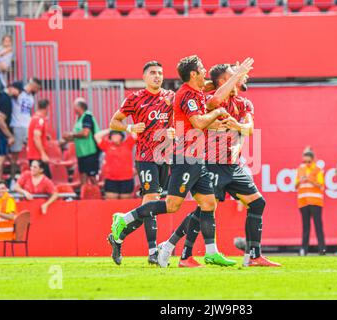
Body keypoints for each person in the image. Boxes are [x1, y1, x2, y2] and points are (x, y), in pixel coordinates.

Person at [109, 55, 253, 268]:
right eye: (202, 68)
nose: (205, 71)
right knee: (171, 205)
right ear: (193, 74)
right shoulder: (187, 95)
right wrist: (218, 113)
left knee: (208, 203)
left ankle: (211, 252)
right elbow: (198, 121)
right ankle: (126, 220)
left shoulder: (194, 92)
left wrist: (235, 79)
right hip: (185, 157)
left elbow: (201, 114)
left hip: (197, 158)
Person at [161, 63, 280, 268]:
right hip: (212, 162)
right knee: (202, 210)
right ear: (225, 81)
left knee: (257, 203)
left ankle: (253, 256)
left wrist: (238, 128)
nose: (242, 78)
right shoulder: (209, 101)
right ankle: (179, 251)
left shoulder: (244, 103)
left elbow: (249, 129)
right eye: (235, 75)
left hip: (233, 166)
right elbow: (214, 101)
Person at [106, 61, 174, 266]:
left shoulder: (171, 97)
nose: (157, 76)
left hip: (165, 157)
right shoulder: (135, 98)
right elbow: (114, 122)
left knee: (150, 206)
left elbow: (180, 120)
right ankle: (153, 252)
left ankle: (118, 236)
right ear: (144, 77)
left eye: (160, 73)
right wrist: (130, 128)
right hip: (145, 156)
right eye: (153, 73)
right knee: (152, 198)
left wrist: (174, 131)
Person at [0, 82, 22, 185]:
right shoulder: (5, 100)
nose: (18, 94)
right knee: (0, 157)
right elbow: (0, 120)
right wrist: (10, 135)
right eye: (18, 91)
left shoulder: (0, 96)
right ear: (12, 88)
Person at [295, 147, 326, 256]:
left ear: (313, 160)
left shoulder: (317, 169)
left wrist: (310, 179)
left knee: (318, 226)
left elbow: (321, 185)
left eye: (309, 161)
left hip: (316, 202)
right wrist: (301, 181)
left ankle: (322, 250)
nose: (307, 163)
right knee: (305, 227)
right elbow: (295, 185)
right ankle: (304, 250)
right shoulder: (300, 169)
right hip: (303, 202)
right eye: (305, 161)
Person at [62, 98, 100, 185]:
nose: (73, 109)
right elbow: (77, 136)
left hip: (90, 152)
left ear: (79, 107)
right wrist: (67, 139)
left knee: (92, 177)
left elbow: (85, 133)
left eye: (74, 106)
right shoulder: (79, 119)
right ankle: (85, 196)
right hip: (81, 153)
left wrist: (71, 134)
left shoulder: (87, 117)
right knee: (83, 176)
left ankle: (97, 196)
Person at [10, 77, 42, 178]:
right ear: (33, 86)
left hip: (28, 126)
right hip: (17, 126)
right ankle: (12, 179)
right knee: (15, 155)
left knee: (33, 152)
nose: (38, 91)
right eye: (38, 88)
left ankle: (33, 177)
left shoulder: (31, 97)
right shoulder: (19, 91)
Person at [95, 129, 136, 199]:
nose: (114, 136)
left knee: (125, 205)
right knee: (112, 204)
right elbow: (97, 136)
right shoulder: (107, 145)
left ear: (121, 136)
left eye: (117, 134)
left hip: (126, 179)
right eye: (113, 135)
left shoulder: (128, 144)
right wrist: (110, 129)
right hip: (111, 180)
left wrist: (123, 128)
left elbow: (135, 134)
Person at [27, 99, 51, 178]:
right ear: (47, 108)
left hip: (32, 155)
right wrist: (43, 154)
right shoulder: (40, 119)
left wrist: (45, 136)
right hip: (37, 156)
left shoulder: (33, 118)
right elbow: (36, 137)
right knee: (45, 181)